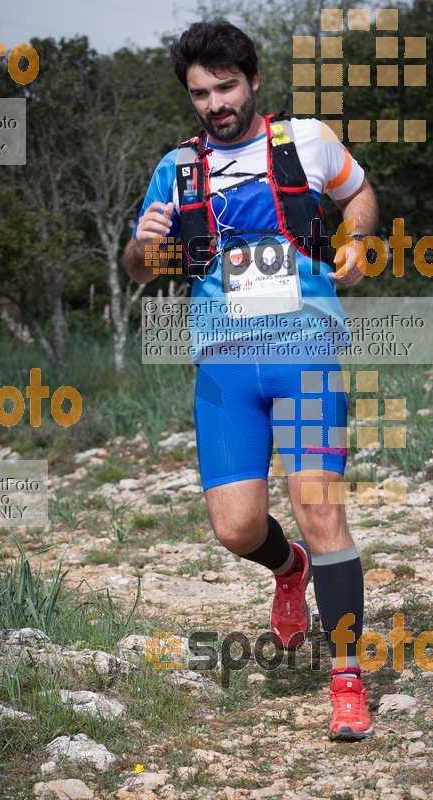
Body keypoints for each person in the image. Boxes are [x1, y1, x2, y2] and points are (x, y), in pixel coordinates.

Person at [123, 19, 378, 741]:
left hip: (303, 347)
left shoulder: (304, 142)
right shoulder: (176, 168)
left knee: (318, 508)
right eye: (199, 93)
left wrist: (356, 242)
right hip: (223, 362)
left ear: (253, 80)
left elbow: (359, 197)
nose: (213, 104)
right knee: (236, 529)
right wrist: (143, 249)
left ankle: (347, 681)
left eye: (225, 86)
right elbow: (138, 267)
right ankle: (287, 568)